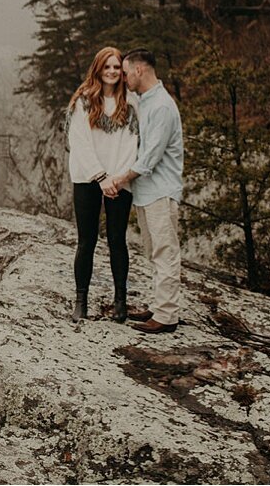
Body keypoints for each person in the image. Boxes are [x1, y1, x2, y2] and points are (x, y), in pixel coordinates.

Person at [105, 48, 184, 334]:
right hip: (147, 193)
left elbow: (149, 158)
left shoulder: (162, 106)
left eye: (125, 73)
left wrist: (118, 178)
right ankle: (160, 305)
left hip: (161, 192)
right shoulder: (146, 102)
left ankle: (166, 316)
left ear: (139, 70)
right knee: (154, 251)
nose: (123, 78)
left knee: (165, 251)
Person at [66, 47, 139, 323]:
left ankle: (120, 301)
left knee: (117, 240)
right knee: (87, 240)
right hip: (87, 178)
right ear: (98, 69)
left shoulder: (130, 103)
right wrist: (100, 176)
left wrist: (117, 178)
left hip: (119, 182)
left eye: (116, 67)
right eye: (106, 67)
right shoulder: (83, 102)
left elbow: (131, 143)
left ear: (123, 71)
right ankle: (81, 300)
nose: (111, 72)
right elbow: (80, 143)